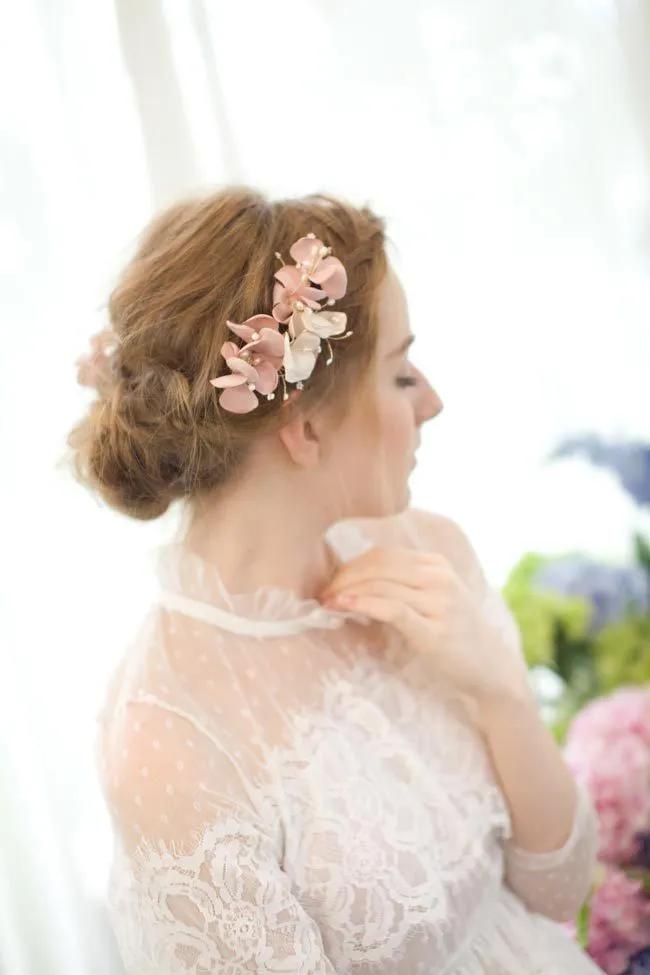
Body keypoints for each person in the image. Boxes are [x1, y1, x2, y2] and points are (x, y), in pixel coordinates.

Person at [68, 188, 602, 973]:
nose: (433, 401)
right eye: (399, 374)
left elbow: (557, 892)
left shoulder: (431, 553)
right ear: (306, 426)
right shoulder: (171, 740)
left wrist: (501, 693)